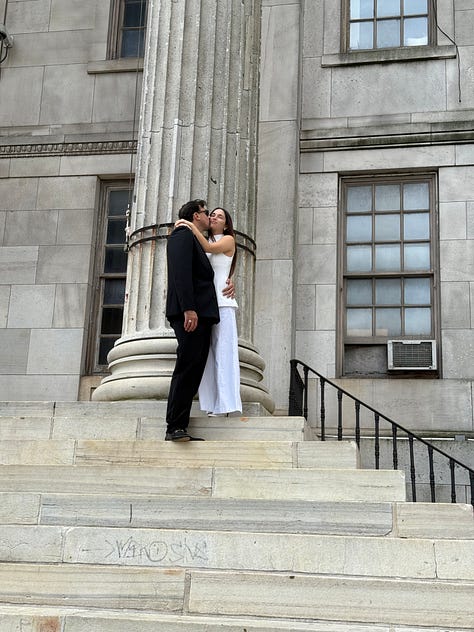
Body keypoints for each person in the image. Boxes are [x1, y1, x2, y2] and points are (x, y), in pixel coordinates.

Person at [165, 199, 235, 441]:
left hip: (203, 315)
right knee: (187, 368)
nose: (209, 217)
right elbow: (181, 274)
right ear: (196, 216)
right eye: (206, 213)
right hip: (191, 315)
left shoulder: (196, 239)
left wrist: (230, 280)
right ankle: (174, 426)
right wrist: (189, 309)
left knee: (193, 368)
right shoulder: (182, 234)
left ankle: (179, 425)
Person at [175, 207, 242, 416]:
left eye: (219, 216)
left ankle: (226, 405)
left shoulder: (228, 240)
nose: (214, 217)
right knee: (206, 357)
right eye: (212, 214)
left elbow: (211, 249)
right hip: (205, 307)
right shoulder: (201, 240)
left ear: (226, 224)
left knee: (224, 353)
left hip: (223, 303)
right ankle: (211, 404)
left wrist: (188, 224)